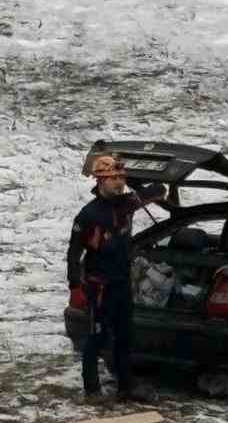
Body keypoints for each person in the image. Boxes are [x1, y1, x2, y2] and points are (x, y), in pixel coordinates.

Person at [67, 152, 166, 400]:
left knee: (125, 337)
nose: (119, 182)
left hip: (122, 283)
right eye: (113, 178)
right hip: (99, 287)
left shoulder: (127, 203)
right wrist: (75, 287)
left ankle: (126, 387)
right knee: (97, 337)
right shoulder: (88, 215)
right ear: (100, 181)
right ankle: (92, 390)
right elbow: (74, 253)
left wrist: (159, 185)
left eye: (121, 178)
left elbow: (155, 191)